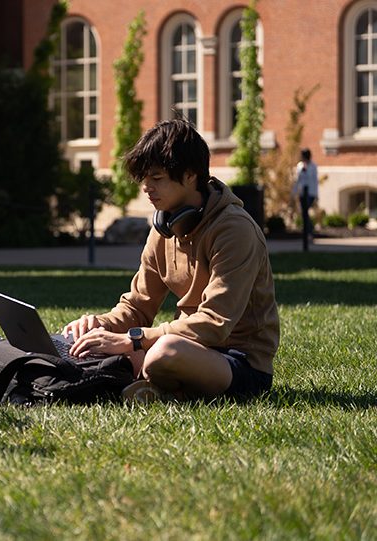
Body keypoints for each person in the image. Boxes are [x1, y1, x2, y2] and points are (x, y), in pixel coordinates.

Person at [62, 119, 279, 402]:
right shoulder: (164, 226)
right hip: (184, 346)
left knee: (163, 352)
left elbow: (215, 323)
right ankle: (154, 386)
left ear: (190, 175)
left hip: (240, 362)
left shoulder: (235, 230)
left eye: (157, 177)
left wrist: (132, 340)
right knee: (87, 346)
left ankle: (148, 381)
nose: (146, 187)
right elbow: (137, 307)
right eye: (144, 178)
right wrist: (99, 325)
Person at [293, 148, 318, 232]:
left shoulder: (313, 166)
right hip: (302, 192)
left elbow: (315, 180)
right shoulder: (299, 165)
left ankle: (309, 230)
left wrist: (317, 195)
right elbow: (297, 179)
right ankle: (308, 229)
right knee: (303, 212)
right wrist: (294, 191)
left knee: (305, 211)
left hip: (310, 192)